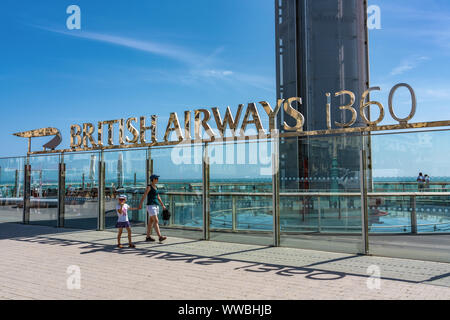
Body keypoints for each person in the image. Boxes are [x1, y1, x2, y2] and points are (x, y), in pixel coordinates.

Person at [139, 174, 167, 242]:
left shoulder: (156, 187)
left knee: (151, 222)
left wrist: (162, 205)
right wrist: (140, 204)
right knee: (156, 221)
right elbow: (144, 195)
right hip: (151, 205)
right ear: (153, 179)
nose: (157, 179)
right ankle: (160, 237)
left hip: (156, 205)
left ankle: (148, 237)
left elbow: (158, 197)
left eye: (157, 178)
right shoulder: (149, 187)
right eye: (156, 178)